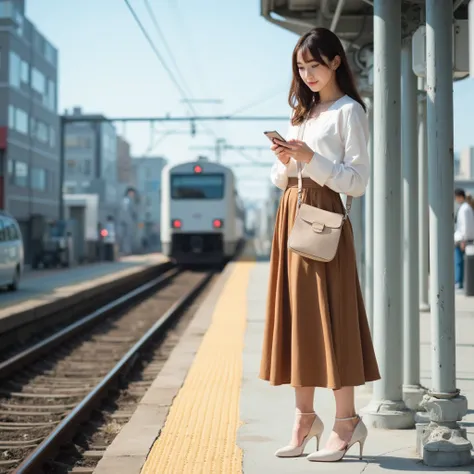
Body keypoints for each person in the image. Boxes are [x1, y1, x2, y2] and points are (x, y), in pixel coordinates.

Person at [259, 27, 380, 463]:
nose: (307, 74)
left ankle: (346, 422)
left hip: (325, 220)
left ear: (334, 63)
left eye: (314, 64)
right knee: (298, 320)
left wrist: (311, 159)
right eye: (300, 67)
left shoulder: (350, 112)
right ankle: (304, 419)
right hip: (290, 215)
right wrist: (285, 163)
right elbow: (282, 181)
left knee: (333, 319)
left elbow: (359, 182)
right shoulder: (301, 114)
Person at [454, 188, 474, 289]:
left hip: (462, 239)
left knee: (459, 262)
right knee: (460, 262)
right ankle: (460, 283)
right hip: (463, 239)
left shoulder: (464, 209)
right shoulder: (466, 208)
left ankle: (459, 283)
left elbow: (465, 226)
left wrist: (463, 240)